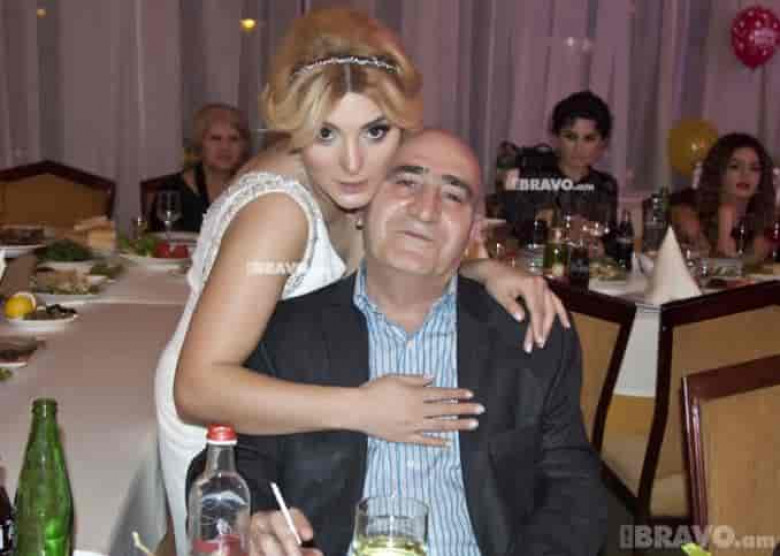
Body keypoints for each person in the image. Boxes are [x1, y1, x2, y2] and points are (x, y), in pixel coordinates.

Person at [155, 8, 569, 556]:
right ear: (297, 129)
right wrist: (363, 409)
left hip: (302, 403)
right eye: (325, 133)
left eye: (375, 131)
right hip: (227, 410)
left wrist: (481, 268)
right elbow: (196, 390)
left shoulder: (344, 181)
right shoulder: (279, 215)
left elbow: (390, 254)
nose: (353, 163)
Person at [192, 129, 606, 556]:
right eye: (406, 182)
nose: (425, 210)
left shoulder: (530, 335)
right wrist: (252, 520)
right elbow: (232, 462)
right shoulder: (285, 333)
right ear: (361, 209)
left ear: (473, 231)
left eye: (453, 195)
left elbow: (573, 487)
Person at [496, 90, 619, 247]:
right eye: (570, 137)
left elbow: (611, 241)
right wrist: (545, 222)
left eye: (589, 139)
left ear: (603, 142)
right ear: (556, 136)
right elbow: (508, 234)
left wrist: (600, 247)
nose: (579, 148)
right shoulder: (530, 177)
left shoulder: (605, 185)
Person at [149, 103, 251, 232]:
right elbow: (158, 241)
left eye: (234, 139)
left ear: (243, 146)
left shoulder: (253, 188)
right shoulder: (172, 189)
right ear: (199, 144)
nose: (225, 147)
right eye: (215, 138)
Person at [696, 132, 776, 263]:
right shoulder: (696, 222)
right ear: (717, 173)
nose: (745, 175)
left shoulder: (765, 227)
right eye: (735, 166)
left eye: (754, 168)